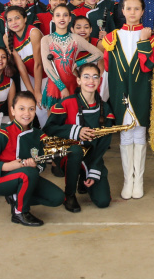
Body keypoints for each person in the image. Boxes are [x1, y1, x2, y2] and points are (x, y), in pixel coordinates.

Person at [0, 91, 66, 226]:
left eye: (31, 109)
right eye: (21, 109)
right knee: (28, 173)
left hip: (27, 177)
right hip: (1, 179)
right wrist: (8, 166)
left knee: (58, 198)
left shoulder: (38, 135)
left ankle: (15, 197)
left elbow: (42, 162)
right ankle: (20, 212)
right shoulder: (3, 133)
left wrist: (36, 165)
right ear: (12, 111)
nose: (27, 113)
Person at [102, 0, 154, 200]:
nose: (132, 12)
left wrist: (143, 41)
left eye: (136, 9)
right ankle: (128, 180)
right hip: (120, 93)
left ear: (143, 12)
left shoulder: (150, 38)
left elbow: (147, 66)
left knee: (139, 135)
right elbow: (107, 68)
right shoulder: (111, 38)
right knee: (125, 135)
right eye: (128, 8)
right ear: (122, 11)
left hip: (141, 92)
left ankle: (138, 180)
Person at [44, 63, 116, 211]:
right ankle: (69, 194)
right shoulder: (66, 103)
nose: (91, 81)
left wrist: (94, 169)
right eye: (86, 77)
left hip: (91, 155)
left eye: (95, 77)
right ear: (78, 80)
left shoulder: (105, 108)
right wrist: (75, 131)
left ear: (99, 80)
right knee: (76, 151)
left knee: (103, 201)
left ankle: (84, 175)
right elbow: (48, 130)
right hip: (67, 152)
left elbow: (103, 145)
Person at [40, 4, 101, 111]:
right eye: (58, 15)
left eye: (65, 15)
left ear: (69, 18)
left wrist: (78, 63)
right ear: (53, 19)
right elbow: (47, 67)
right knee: (53, 121)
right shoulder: (46, 39)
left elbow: (99, 54)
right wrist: (62, 87)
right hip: (55, 86)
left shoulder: (76, 38)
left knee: (72, 119)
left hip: (72, 84)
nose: (62, 18)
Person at [3, 5, 45, 121]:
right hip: (28, 76)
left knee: (44, 109)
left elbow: (38, 64)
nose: (14, 22)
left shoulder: (34, 32)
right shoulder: (6, 38)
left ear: (25, 19)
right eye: (10, 20)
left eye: (17, 18)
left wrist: (37, 91)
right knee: (30, 107)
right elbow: (21, 67)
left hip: (46, 76)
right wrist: (31, 92)